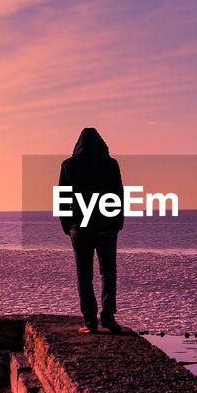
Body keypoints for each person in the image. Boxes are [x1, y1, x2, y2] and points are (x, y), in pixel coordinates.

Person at [57, 127, 124, 334]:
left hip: (80, 227)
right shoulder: (110, 164)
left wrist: (67, 227)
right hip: (106, 227)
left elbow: (63, 200)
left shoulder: (69, 165)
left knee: (84, 275)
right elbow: (119, 197)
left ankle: (90, 321)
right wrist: (117, 223)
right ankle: (108, 317)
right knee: (108, 272)